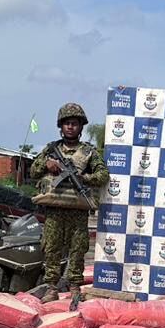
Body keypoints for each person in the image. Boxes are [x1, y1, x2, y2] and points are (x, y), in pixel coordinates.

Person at [28, 102, 109, 303]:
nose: (70, 127)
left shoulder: (89, 151)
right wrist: (46, 164)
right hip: (54, 210)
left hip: (77, 210)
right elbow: (33, 171)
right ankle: (52, 288)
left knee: (78, 249)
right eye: (67, 123)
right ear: (61, 126)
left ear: (81, 127)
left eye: (75, 123)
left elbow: (103, 175)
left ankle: (74, 287)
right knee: (52, 249)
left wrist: (84, 177)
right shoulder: (51, 149)